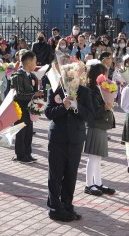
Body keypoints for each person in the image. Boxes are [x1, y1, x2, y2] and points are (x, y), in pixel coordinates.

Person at [45, 61, 94, 222]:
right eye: (67, 77)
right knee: (55, 174)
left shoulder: (85, 92)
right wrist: (63, 107)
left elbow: (89, 115)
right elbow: (49, 112)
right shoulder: (55, 90)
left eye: (73, 77)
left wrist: (75, 106)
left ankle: (67, 205)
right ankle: (54, 207)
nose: (71, 80)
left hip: (75, 139)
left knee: (71, 174)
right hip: (58, 138)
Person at [83, 62, 116, 197]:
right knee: (93, 157)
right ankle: (88, 184)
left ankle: (98, 182)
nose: (107, 77)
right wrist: (105, 107)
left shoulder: (100, 89)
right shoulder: (89, 90)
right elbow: (92, 112)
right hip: (94, 125)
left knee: (98, 157)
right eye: (105, 74)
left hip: (101, 125)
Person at [11, 51, 43, 163]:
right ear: (28, 63)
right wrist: (34, 94)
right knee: (20, 132)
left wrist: (38, 94)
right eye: (35, 61)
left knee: (29, 131)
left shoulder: (32, 75)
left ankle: (27, 153)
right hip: (20, 108)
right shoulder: (18, 76)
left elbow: (33, 92)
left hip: (29, 109)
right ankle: (20, 155)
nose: (36, 63)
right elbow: (18, 94)